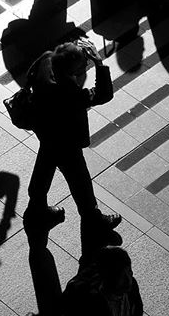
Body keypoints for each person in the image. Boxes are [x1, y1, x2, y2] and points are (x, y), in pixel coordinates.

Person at [24, 40, 121, 238]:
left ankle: (36, 209)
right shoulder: (67, 91)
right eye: (82, 62)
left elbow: (31, 76)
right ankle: (92, 219)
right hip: (65, 140)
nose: (85, 64)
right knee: (80, 180)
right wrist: (99, 63)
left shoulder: (46, 60)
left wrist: (73, 51)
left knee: (44, 168)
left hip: (46, 130)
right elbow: (103, 94)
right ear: (70, 68)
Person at [62, 245, 143, 316]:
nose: (129, 279)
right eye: (121, 275)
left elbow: (138, 310)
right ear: (108, 276)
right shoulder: (86, 300)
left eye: (129, 271)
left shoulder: (131, 287)